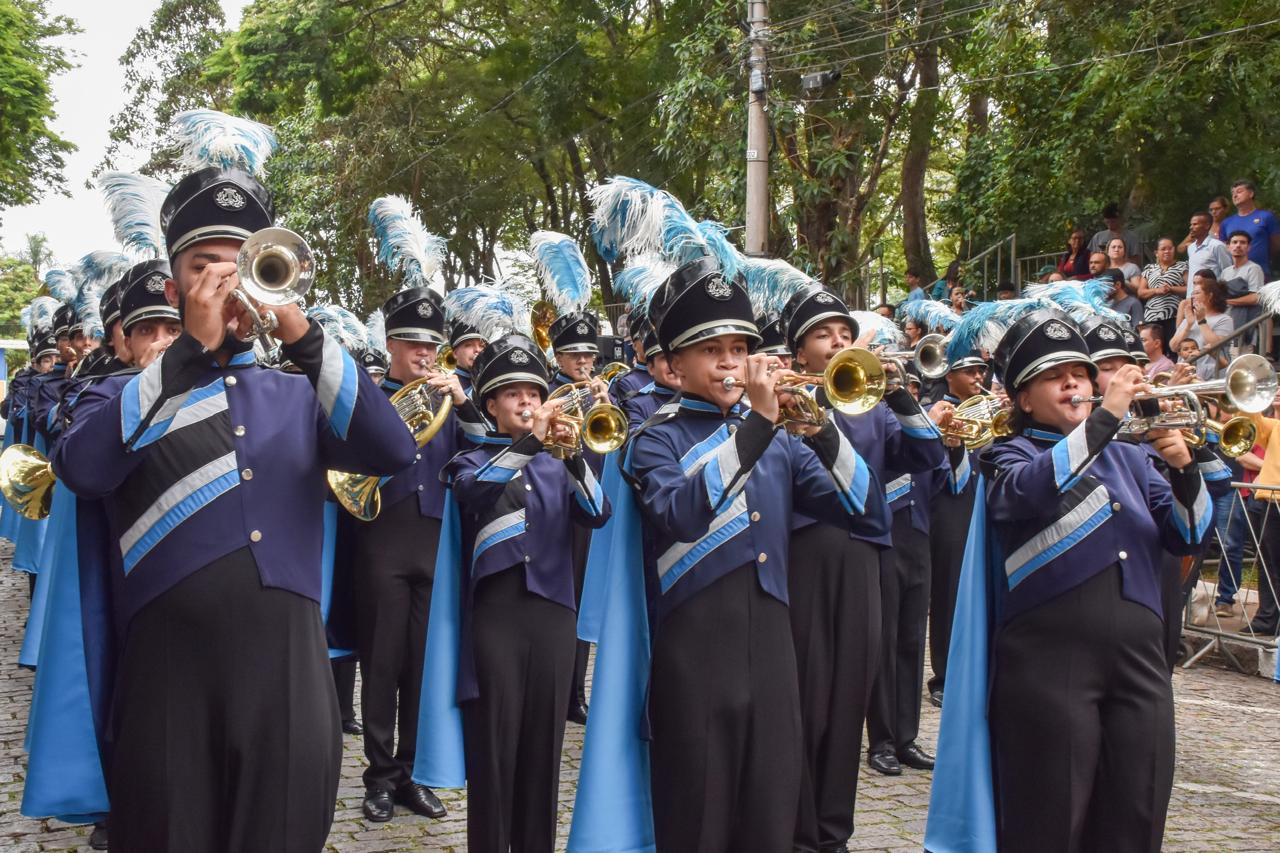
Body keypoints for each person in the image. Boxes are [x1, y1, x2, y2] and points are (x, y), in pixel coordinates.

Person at [52, 111, 418, 852]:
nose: (224, 279)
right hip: (166, 680)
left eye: (240, 260)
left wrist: (303, 334)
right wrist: (188, 349)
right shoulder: (122, 395)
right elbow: (84, 468)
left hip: (287, 677)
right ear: (174, 280)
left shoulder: (296, 392)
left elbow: (393, 449)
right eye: (202, 266)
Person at [627, 256, 889, 852]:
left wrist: (822, 430)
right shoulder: (655, 440)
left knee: (770, 817)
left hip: (775, 653)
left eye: (739, 348)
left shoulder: (782, 442)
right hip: (692, 657)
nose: (730, 361)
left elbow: (869, 512)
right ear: (672, 366)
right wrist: (759, 426)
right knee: (698, 820)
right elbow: (681, 514)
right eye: (711, 349)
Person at [979, 308, 1209, 852]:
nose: (1073, 384)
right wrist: (1105, 419)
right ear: (1022, 399)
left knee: (1138, 809)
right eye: (1053, 376)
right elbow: (1026, 495)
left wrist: (1184, 468)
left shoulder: (1132, 458)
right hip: (1048, 665)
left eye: (1080, 374)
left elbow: (1188, 534)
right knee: (1049, 818)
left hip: (1141, 665)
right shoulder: (1007, 455)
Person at [780, 285, 944, 848]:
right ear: (800, 351)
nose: (838, 344)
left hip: (864, 558)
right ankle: (795, 826)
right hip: (805, 553)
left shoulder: (871, 405)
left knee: (850, 694)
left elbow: (927, 455)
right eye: (824, 336)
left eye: (846, 336)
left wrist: (900, 396)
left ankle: (833, 831)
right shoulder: (782, 399)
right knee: (805, 694)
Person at [446, 332, 611, 853]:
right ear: (490, 404)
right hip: (496, 622)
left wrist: (571, 455)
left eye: (534, 394)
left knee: (544, 755)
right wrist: (531, 445)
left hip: (554, 621)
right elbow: (476, 496)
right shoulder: (470, 462)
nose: (527, 402)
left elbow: (598, 512)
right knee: (495, 757)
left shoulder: (556, 462)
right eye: (513, 394)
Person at [354, 279, 478, 823]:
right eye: (412, 343)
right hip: (382, 543)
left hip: (435, 544)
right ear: (391, 344)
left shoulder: (452, 401)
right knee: (381, 666)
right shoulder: (369, 399)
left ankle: (411, 773)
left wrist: (464, 402)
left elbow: (485, 456)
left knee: (422, 670)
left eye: (431, 343)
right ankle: (379, 778)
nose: (424, 353)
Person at [925, 350, 986, 709]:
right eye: (970, 370)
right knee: (949, 594)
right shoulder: (935, 409)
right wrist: (953, 443)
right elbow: (946, 477)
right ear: (950, 376)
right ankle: (945, 675)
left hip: (984, 506)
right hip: (951, 509)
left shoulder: (990, 405)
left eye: (981, 370)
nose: (979, 376)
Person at [1170, 272, 1233, 380]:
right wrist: (1188, 325)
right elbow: (1174, 346)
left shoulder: (1224, 319)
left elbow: (1215, 345)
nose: (1192, 296)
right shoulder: (1188, 319)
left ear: (1210, 296)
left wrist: (1201, 321)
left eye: (1197, 293)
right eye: (1192, 293)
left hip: (1211, 375)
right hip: (1185, 375)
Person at [1135, 237, 1187, 351]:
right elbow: (1141, 292)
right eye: (1163, 249)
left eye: (1170, 248)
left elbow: (1189, 289)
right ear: (1156, 253)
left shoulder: (1182, 266)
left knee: (1173, 348)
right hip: (1152, 316)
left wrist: (1171, 289)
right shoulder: (1149, 268)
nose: (1167, 251)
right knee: (1154, 348)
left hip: (1174, 315)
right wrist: (1156, 290)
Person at [1218, 179, 1280, 276]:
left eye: (1239, 191)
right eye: (1233, 193)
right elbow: (1223, 249)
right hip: (1233, 275)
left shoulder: (1266, 217)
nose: (1235, 195)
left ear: (1251, 194)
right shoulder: (1226, 223)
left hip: (1261, 271)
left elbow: (1276, 244)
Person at [1222, 230, 1265, 351]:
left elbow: (1256, 298)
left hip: (1244, 327)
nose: (1238, 245)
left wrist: (1227, 301)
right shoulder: (1226, 272)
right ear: (1228, 246)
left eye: (1243, 243)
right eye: (1234, 242)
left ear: (1249, 247)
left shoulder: (1254, 269)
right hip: (1225, 326)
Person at [1184, 210, 1232, 284]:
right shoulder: (1191, 248)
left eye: (1195, 224)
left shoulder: (1217, 246)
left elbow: (1228, 272)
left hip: (1212, 294)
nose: (1191, 227)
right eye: (1191, 224)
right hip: (1192, 294)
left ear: (1207, 226)